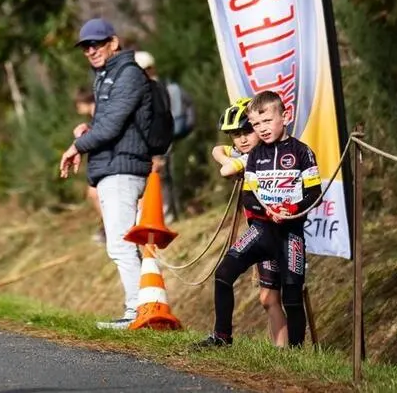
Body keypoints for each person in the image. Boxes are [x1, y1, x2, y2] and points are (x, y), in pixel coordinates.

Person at [196, 90, 320, 348]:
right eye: (256, 124)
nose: (262, 129)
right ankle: (222, 337)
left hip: (291, 234)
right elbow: (249, 196)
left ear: (285, 116)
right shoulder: (253, 155)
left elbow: (314, 194)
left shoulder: (303, 152)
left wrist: (291, 208)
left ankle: (295, 355)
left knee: (292, 297)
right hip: (261, 230)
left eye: (267, 121)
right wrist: (268, 211)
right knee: (223, 273)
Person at [59, 18, 153, 329]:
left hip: (122, 168)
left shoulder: (127, 74)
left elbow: (112, 127)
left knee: (121, 244)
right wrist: (89, 130)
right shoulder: (107, 76)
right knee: (122, 243)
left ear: (113, 42)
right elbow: (112, 124)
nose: (90, 50)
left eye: (96, 43)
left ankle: (136, 312)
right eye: (85, 46)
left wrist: (76, 146)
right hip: (114, 167)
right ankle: (141, 310)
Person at [210, 97, 287, 347]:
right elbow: (217, 149)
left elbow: (226, 170)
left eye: (247, 132)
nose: (242, 140)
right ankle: (283, 353)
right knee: (269, 298)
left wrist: (234, 165)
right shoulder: (246, 151)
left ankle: (222, 337)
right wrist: (229, 158)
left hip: (269, 229)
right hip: (264, 229)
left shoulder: (256, 155)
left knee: (224, 274)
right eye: (236, 135)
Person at [134, 50, 194, 223]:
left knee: (161, 177)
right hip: (170, 137)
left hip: (159, 142)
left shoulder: (151, 90)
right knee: (165, 177)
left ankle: (166, 215)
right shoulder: (164, 87)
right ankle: (170, 212)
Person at [73, 87, 104, 244]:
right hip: (100, 163)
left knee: (94, 193)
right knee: (93, 194)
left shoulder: (100, 115)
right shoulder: (95, 118)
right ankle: (107, 226)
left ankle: (108, 227)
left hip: (105, 163)